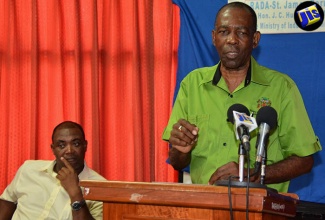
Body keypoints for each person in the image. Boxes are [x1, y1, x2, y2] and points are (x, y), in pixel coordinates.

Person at [162, 2, 322, 192]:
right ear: (214, 38)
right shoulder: (192, 85)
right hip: (207, 206)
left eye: (242, 33)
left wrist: (252, 174)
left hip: (260, 208)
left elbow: (305, 160)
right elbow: (177, 161)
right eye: (224, 32)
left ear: (255, 39)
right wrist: (181, 149)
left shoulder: (281, 88)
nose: (232, 40)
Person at [0, 121, 107, 220]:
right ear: (53, 149)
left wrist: (75, 194)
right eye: (61, 145)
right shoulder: (29, 169)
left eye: (76, 144)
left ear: (85, 146)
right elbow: (7, 203)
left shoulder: (101, 187)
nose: (69, 150)